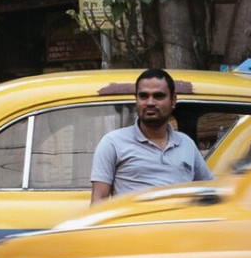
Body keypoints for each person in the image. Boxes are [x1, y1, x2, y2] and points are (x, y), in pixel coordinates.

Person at [90, 69, 212, 204]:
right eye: (143, 96)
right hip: (134, 223)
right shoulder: (113, 143)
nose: (150, 102)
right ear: (136, 100)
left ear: (173, 101)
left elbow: (209, 191)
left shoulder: (186, 143)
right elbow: (99, 201)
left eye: (158, 96)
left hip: (178, 223)